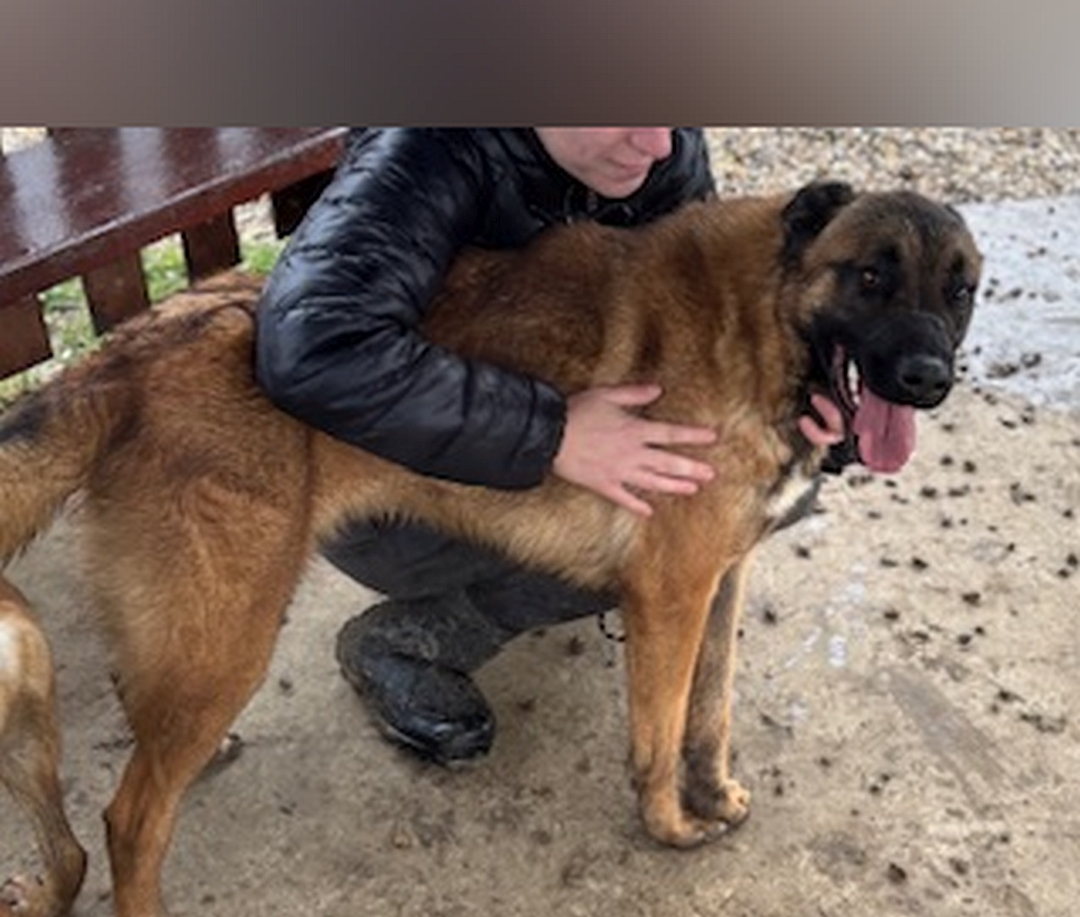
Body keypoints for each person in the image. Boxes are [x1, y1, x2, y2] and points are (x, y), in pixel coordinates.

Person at [255, 128, 843, 766]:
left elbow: (707, 329)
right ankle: (413, 639)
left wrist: (806, 402)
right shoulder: (424, 148)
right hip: (388, 484)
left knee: (757, 490)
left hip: (520, 426)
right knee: (667, 536)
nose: (656, 147)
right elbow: (312, 347)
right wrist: (549, 432)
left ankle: (564, 574)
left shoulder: (660, 147)